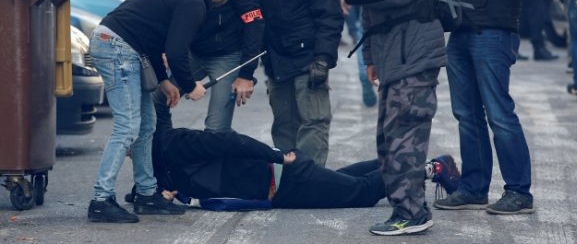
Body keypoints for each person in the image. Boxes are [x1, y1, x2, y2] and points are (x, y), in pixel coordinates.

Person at [87, 0, 239, 223]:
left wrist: (164, 81)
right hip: (117, 48)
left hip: (121, 45)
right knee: (128, 125)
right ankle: (101, 200)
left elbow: (155, 40)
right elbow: (177, 50)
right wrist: (191, 86)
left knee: (148, 125)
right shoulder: (194, 3)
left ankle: (147, 194)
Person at [434, 0, 537, 215]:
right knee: (466, 113)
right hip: (462, 27)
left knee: (498, 114)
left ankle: (519, 191)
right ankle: (474, 187)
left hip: (493, 31)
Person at [343, 0, 446, 235]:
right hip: (390, 60)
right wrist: (370, 57)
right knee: (388, 141)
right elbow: (372, 14)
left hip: (417, 56)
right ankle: (407, 208)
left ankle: (412, 213)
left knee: (406, 139)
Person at [141, 105, 460, 211]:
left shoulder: (176, 144)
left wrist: (277, 156)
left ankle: (432, 168)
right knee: (350, 180)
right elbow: (157, 189)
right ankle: (401, 161)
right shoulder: (157, 161)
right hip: (278, 186)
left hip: (280, 180)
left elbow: (229, 141)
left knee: (360, 193)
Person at [154, 0, 264, 132]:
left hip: (227, 54)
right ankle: (163, 146)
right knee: (157, 100)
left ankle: (226, 163)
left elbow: (254, 20)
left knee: (216, 128)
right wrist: (168, 47)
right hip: (193, 50)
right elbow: (181, 8)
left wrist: (246, 74)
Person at [250, 0, 344, 167]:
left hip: (309, 59)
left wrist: (323, 58)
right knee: (283, 122)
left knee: (313, 121)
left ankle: (311, 176)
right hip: (277, 59)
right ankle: (286, 176)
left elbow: (330, 18)